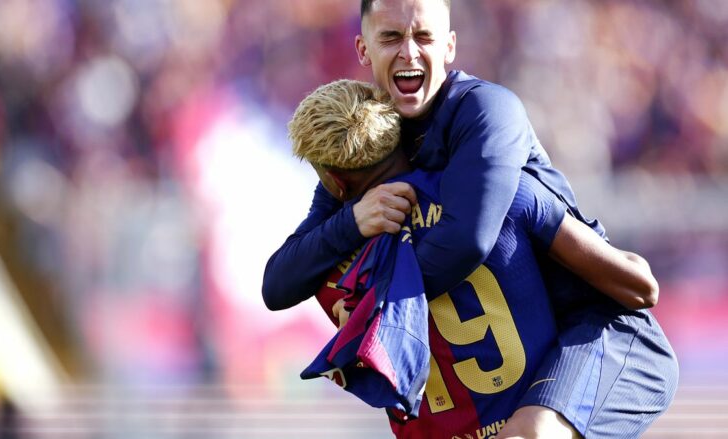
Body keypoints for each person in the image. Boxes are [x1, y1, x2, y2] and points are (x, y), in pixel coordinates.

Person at [262, 1, 678, 437]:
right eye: (390, 37)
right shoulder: (367, 151)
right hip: (501, 376)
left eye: (423, 36)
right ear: (363, 50)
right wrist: (352, 224)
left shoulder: (484, 111)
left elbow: (468, 241)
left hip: (584, 333)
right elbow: (278, 283)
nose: (408, 51)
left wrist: (372, 307)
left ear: (449, 46)